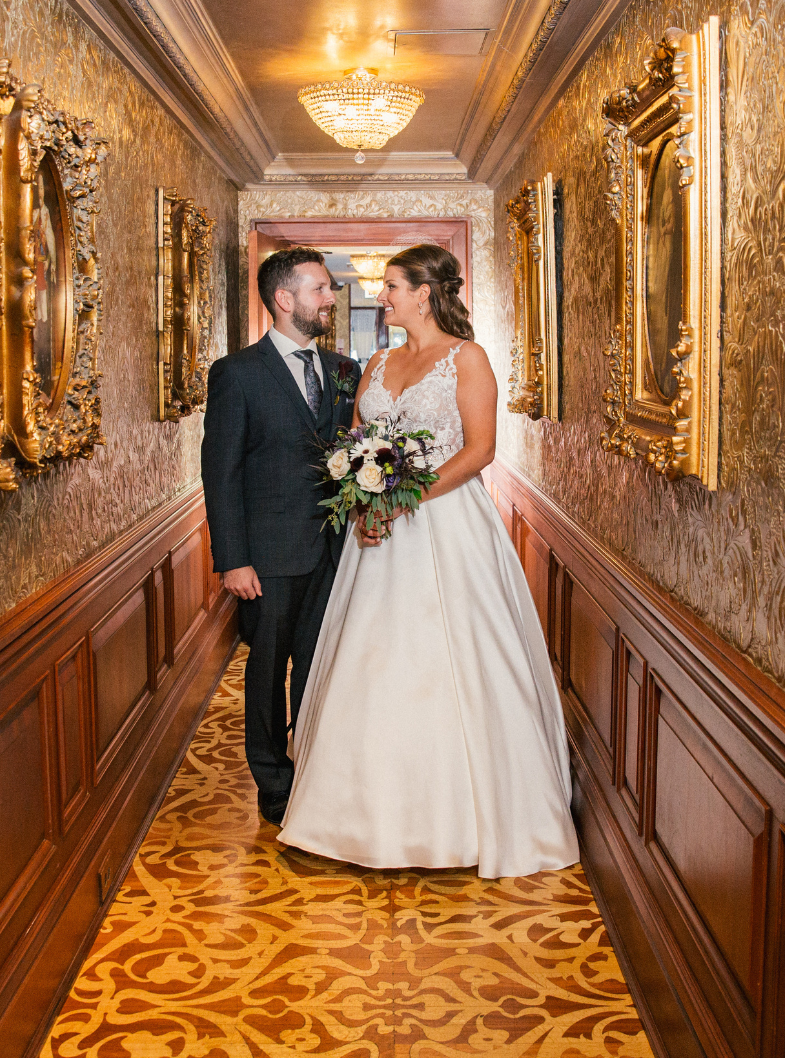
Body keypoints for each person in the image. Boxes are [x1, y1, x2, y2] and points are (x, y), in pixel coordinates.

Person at [277, 244, 580, 878]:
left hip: (446, 526)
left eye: (390, 286)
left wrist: (403, 498)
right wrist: (365, 499)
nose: (380, 296)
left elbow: (480, 450)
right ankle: (358, 814)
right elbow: (358, 441)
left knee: (450, 657)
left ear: (424, 294)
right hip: (377, 533)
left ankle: (464, 819)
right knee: (372, 657)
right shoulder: (378, 361)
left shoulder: (468, 359)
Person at [201, 247, 357, 826]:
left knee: (320, 666)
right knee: (267, 673)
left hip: (334, 551)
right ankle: (273, 782)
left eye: (330, 288)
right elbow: (221, 474)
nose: (331, 298)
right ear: (285, 299)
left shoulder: (344, 371)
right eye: (320, 289)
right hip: (266, 558)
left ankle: (316, 770)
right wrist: (233, 559)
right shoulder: (237, 374)